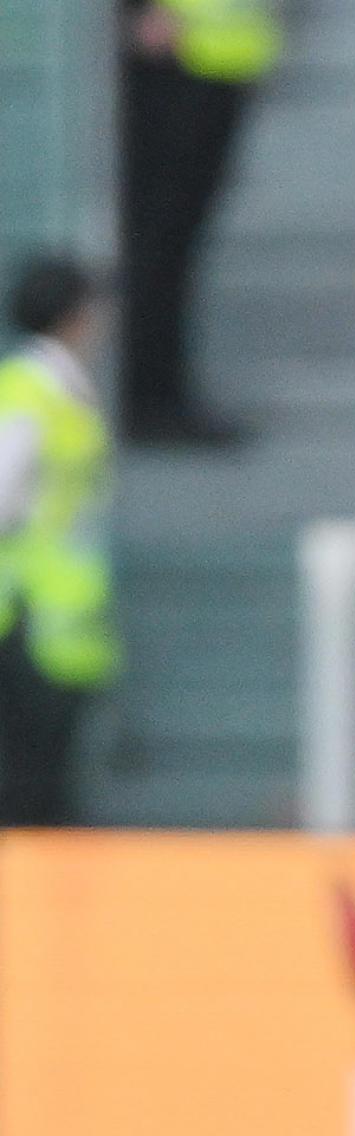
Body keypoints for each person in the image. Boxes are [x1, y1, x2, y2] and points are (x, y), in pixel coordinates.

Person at [119, 0, 279, 442]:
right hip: (175, 57)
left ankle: (158, 392)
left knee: (174, 241)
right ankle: (150, 396)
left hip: (218, 57)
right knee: (159, 240)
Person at [0, 256, 116, 826]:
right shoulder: (31, 391)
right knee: (31, 779)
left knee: (47, 774)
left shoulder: (62, 388)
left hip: (60, 617)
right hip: (26, 615)